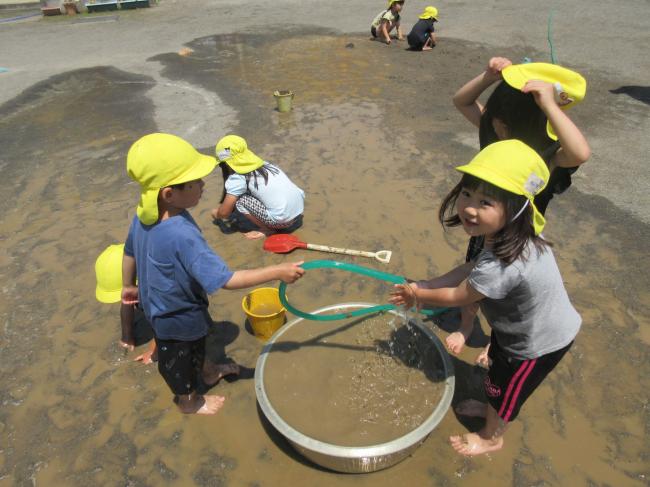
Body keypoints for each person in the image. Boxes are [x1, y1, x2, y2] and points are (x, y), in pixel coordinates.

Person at [389, 140, 581, 456]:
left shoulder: (506, 261)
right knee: (496, 380)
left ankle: (492, 436)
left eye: (486, 202)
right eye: (467, 193)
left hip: (536, 345)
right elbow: (469, 268)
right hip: (517, 330)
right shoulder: (514, 232)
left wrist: (419, 295)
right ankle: (490, 404)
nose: (469, 207)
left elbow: (459, 293)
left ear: (516, 206)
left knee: (507, 393)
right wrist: (423, 284)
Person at [123, 133, 305, 415]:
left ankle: (208, 371)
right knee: (181, 360)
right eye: (195, 182)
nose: (204, 185)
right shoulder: (182, 234)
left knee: (198, 340)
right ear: (169, 193)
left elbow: (129, 253)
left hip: (156, 301)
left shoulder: (143, 214)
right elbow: (227, 280)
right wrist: (276, 271)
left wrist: (128, 286)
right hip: (178, 313)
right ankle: (190, 402)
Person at [449, 59, 590, 362]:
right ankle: (466, 325)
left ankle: (495, 341)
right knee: (475, 285)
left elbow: (581, 152)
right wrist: (487, 76)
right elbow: (461, 100)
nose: (494, 126)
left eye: (501, 122)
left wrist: (551, 105)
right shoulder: (496, 136)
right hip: (484, 231)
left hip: (517, 240)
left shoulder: (548, 155)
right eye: (494, 121)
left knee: (506, 298)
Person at [210, 135, 305, 240]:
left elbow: (224, 213)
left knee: (240, 200)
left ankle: (267, 229)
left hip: (284, 222)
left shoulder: (238, 178)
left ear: (226, 164)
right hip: (298, 213)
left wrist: (217, 214)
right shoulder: (266, 165)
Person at [95, 243, 156, 364]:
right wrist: (127, 337)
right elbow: (126, 303)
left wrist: (154, 352)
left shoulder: (157, 290)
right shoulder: (132, 290)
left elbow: (166, 321)